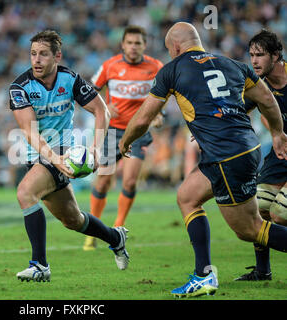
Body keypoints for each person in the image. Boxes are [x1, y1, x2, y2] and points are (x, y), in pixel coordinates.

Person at [118, 22, 287, 298]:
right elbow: (268, 100)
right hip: (244, 148)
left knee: (250, 229)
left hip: (225, 155)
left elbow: (144, 117)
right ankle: (203, 274)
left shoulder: (171, 70)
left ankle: (204, 276)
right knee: (187, 196)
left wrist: (125, 141)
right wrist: (278, 133)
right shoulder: (233, 64)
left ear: (174, 47)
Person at [9, 30, 129, 282]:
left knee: (25, 193)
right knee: (73, 220)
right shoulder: (19, 87)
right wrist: (54, 159)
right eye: (33, 54)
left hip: (64, 152)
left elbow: (102, 111)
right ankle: (116, 238)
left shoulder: (70, 79)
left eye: (43, 54)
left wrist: (95, 150)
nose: (36, 60)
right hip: (45, 155)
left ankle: (39, 265)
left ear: (57, 56)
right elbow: (30, 133)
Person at [83, 26, 164, 251]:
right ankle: (92, 233)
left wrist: (158, 114)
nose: (133, 46)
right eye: (129, 42)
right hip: (111, 132)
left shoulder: (156, 67)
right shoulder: (110, 66)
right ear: (123, 44)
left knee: (129, 181)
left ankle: (117, 228)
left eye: (138, 43)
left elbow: (165, 95)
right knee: (104, 181)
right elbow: (87, 91)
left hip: (138, 132)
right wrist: (104, 106)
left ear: (144, 45)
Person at [234, 30, 287, 281]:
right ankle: (262, 270)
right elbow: (237, 110)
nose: (254, 61)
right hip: (281, 154)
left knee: (281, 213)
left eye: (261, 55)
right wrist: (211, 127)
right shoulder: (258, 84)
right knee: (259, 209)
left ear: (276, 56)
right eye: (251, 55)